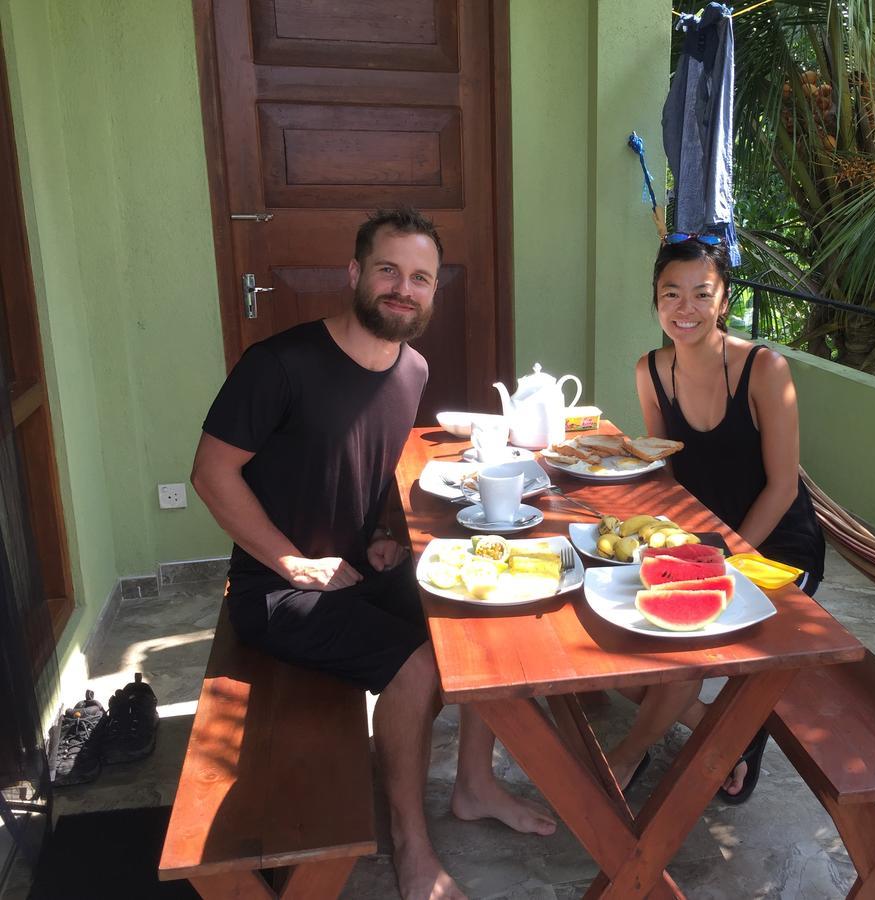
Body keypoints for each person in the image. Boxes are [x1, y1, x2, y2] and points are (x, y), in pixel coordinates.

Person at [191, 207, 555, 900]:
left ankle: (474, 785)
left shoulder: (411, 370)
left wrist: (382, 536)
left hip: (356, 570)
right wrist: (290, 561)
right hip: (277, 591)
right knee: (418, 667)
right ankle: (412, 850)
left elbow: (362, 473)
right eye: (389, 270)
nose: (403, 288)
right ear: (355, 273)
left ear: (432, 293)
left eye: (420, 277)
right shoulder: (279, 365)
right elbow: (212, 475)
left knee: (484, 618)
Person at [606, 234, 825, 805]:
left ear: (724, 299)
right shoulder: (649, 372)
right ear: (654, 302)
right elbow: (669, 476)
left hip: (776, 545)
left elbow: (783, 485)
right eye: (670, 294)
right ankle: (723, 729)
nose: (686, 309)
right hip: (703, 538)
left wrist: (726, 558)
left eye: (701, 294)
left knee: (685, 651)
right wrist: (668, 540)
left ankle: (625, 758)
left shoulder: (763, 369)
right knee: (614, 637)